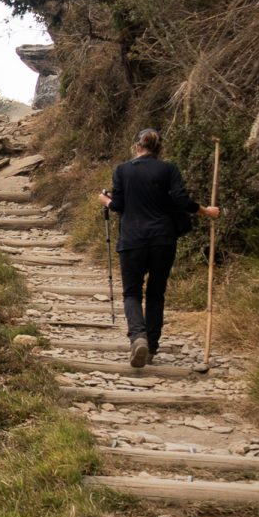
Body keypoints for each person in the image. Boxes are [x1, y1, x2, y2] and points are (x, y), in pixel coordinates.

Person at [97, 128, 220, 369]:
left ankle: (138, 337)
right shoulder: (168, 169)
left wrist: (106, 200)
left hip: (132, 239)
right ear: (158, 148)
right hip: (163, 239)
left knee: (132, 293)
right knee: (156, 293)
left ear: (136, 147)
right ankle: (151, 347)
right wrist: (205, 211)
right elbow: (181, 200)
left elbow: (119, 205)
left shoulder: (122, 170)